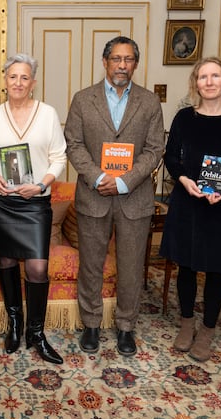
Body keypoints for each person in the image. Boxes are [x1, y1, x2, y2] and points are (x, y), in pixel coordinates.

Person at [64, 36, 164, 357]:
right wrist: (98, 177)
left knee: (132, 266)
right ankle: (91, 324)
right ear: (104, 62)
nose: (122, 65)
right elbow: (74, 144)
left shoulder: (149, 103)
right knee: (91, 264)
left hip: (134, 198)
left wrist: (123, 181)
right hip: (93, 196)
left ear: (136, 63)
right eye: (117, 59)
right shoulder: (83, 99)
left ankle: (125, 327)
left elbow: (154, 150)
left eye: (129, 59)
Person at [159, 57, 221, 362]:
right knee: (186, 265)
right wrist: (184, 179)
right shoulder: (184, 118)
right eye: (203, 77)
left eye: (216, 76)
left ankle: (208, 330)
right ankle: (187, 324)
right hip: (188, 200)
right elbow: (171, 156)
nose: (210, 81)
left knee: (216, 270)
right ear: (196, 83)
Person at [0, 53, 67, 365]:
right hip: (0, 199)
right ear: (5, 81)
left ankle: (36, 333)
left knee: (38, 267)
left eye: (24, 77)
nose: (18, 82)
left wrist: (41, 184)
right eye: (12, 77)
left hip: (35, 200)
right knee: (6, 261)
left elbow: (59, 157)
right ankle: (15, 324)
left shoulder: (48, 114)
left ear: (33, 82)